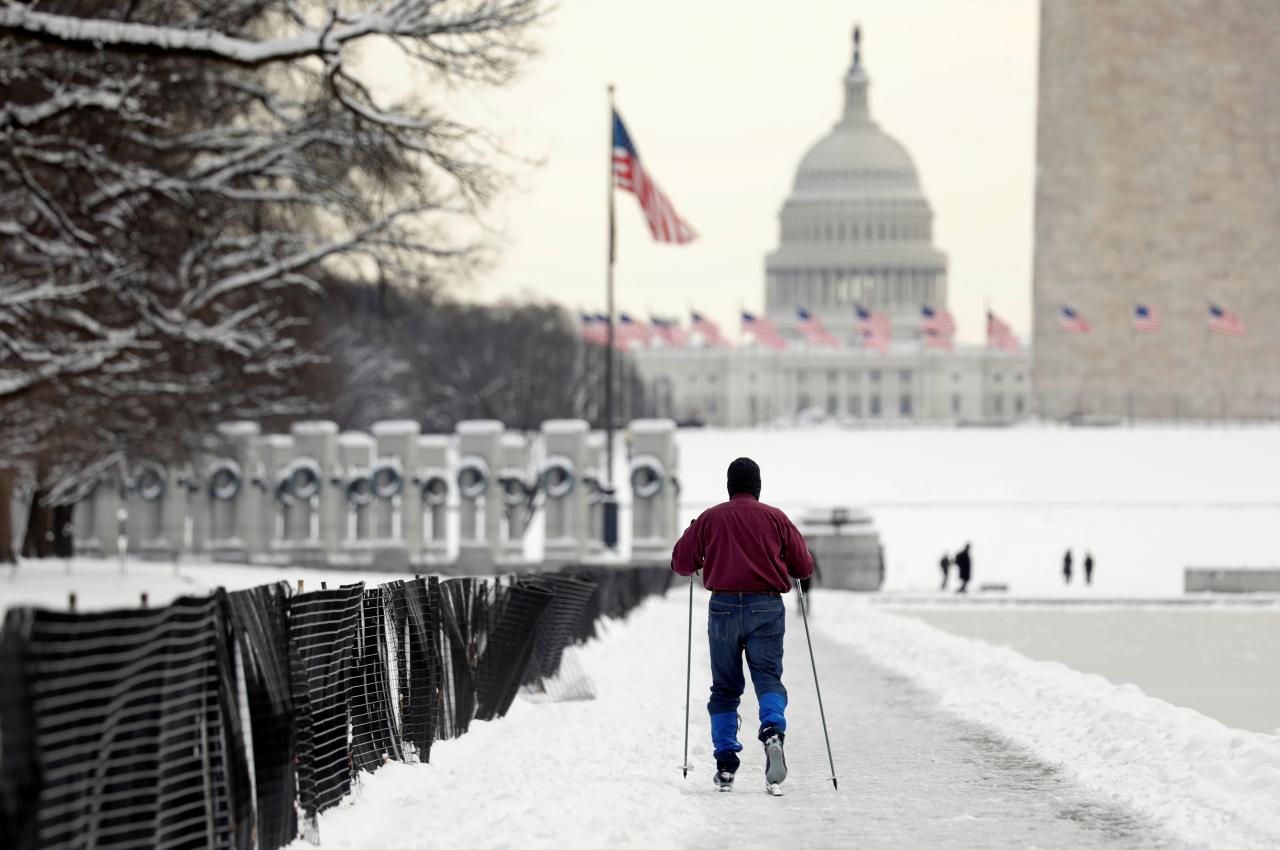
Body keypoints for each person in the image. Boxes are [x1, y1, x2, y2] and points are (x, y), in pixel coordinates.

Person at [671, 457, 813, 793]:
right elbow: (804, 566)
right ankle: (773, 730)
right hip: (765, 605)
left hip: (722, 607)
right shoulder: (776, 518)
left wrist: (697, 535)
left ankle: (725, 764)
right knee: (767, 678)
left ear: (729, 486)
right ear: (758, 486)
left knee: (724, 687)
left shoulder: (710, 518)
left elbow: (680, 563)